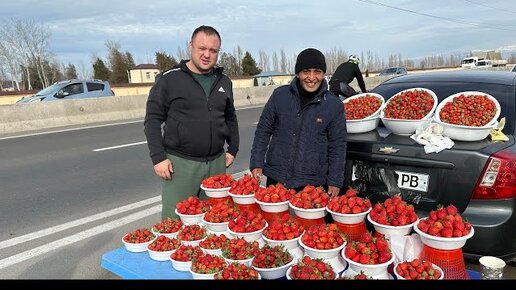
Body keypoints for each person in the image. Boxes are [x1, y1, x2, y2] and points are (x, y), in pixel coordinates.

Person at [144, 25, 239, 219]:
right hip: (181, 164)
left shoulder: (224, 81)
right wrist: (158, 157)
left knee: (215, 219)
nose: (207, 55)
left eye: (213, 51)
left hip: (216, 164)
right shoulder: (169, 79)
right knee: (176, 222)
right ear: (191, 46)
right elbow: (152, 119)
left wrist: (233, 148)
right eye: (201, 48)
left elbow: (230, 116)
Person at [250, 48, 347, 197]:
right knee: (275, 220)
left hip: (312, 185)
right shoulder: (280, 96)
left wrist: (335, 180)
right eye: (306, 71)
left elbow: (338, 145)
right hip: (277, 178)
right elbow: (263, 130)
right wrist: (257, 161)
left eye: (318, 72)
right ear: (298, 73)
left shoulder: (334, 105)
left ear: (324, 74)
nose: (312, 77)